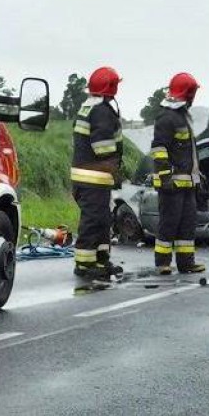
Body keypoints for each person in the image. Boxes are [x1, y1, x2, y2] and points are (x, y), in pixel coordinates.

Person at [71, 66, 124, 285]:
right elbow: (103, 145)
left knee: (102, 220)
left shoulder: (89, 108)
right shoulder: (101, 110)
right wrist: (113, 163)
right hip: (94, 176)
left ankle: (101, 261)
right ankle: (84, 264)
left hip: (91, 177)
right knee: (93, 221)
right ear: (110, 87)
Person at [150, 72, 206, 275]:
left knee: (187, 226)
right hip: (172, 184)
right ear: (187, 93)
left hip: (187, 184)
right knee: (168, 224)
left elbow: (188, 153)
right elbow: (159, 149)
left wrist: (197, 179)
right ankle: (162, 263)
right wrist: (165, 178)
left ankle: (186, 263)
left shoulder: (182, 116)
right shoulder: (167, 117)